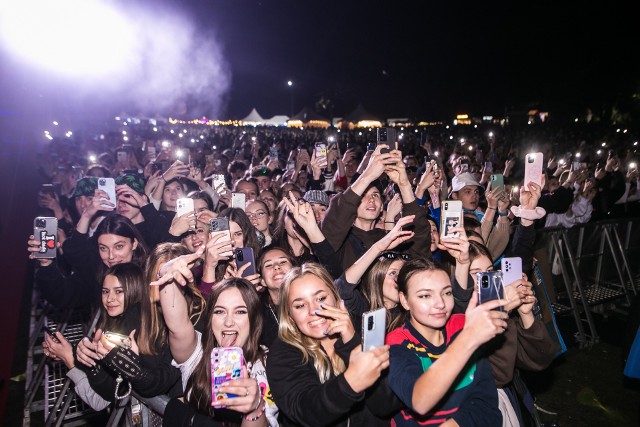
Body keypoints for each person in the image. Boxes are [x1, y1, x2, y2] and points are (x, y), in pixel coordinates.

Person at [266, 263, 395, 426]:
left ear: (337, 299)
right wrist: (351, 382)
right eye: (300, 305)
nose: (313, 310)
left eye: (320, 298)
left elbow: (385, 406)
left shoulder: (363, 331)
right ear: (290, 316)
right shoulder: (283, 351)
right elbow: (307, 410)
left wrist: (351, 342)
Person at [153, 257, 278, 426]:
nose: (228, 322)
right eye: (219, 311)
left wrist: (254, 408)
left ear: (254, 318)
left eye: (240, 312)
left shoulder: (269, 362)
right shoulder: (198, 352)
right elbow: (176, 324)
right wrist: (166, 271)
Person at [386, 257, 506, 426]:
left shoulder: (462, 327)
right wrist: (469, 338)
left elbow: (486, 403)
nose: (440, 303)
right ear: (405, 300)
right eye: (425, 295)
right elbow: (419, 401)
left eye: (447, 292)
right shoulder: (396, 343)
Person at [43, 263, 144, 410]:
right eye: (105, 291)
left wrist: (69, 359)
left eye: (119, 291)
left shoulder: (133, 327)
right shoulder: (117, 320)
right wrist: (71, 351)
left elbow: (101, 400)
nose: (110, 298)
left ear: (136, 290)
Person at [28, 214, 148, 309]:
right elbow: (62, 296)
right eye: (103, 248)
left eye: (119, 247)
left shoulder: (150, 271)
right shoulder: (97, 273)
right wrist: (46, 263)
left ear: (134, 244)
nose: (111, 256)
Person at [257, 247, 297, 347]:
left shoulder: (310, 303)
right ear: (262, 281)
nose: (276, 267)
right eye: (269, 265)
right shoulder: (258, 313)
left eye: (283, 262)